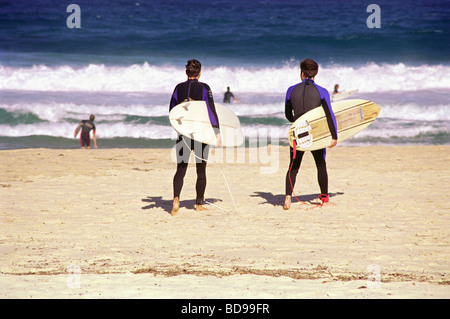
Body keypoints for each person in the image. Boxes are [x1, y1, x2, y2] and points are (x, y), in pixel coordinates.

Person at [169, 59, 222, 216]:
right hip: (200, 135)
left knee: (181, 168)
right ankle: (199, 203)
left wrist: (179, 128)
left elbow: (172, 111)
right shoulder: (204, 88)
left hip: (183, 133)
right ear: (200, 73)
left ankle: (176, 199)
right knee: (201, 170)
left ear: (186, 72)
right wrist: (217, 133)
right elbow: (211, 111)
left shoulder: (178, 88)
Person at [283, 58, 338, 210]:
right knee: (321, 164)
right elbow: (329, 115)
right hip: (314, 134)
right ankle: (324, 198)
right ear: (316, 74)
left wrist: (296, 124)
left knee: (293, 166)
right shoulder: (322, 91)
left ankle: (288, 198)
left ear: (302, 73)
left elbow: (288, 114)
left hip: (297, 133)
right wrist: (334, 136)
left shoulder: (291, 90)